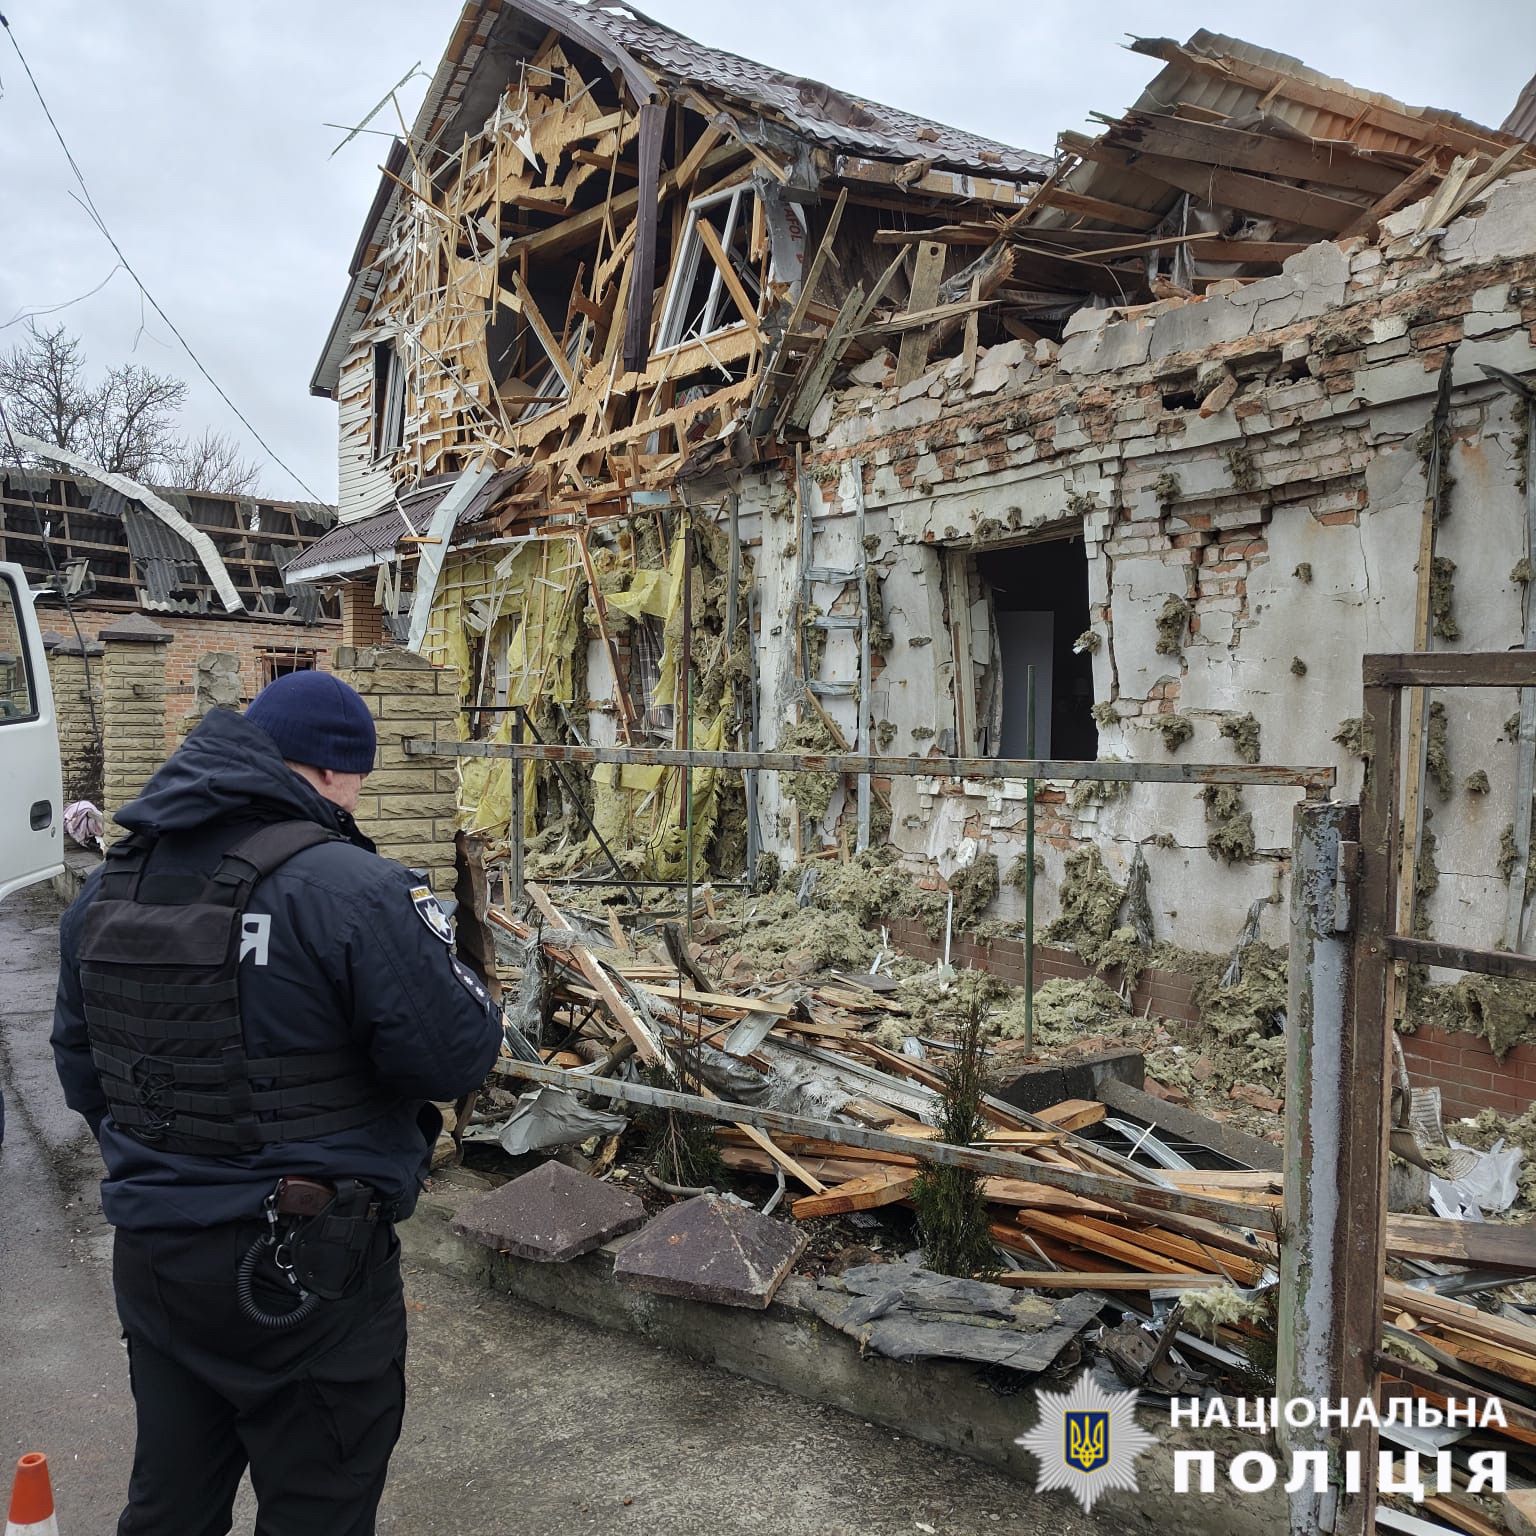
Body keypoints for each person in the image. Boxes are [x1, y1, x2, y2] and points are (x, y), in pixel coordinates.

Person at [51, 670, 504, 1536]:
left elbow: (82, 1072)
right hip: (306, 1270)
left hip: (157, 1256)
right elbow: (453, 1055)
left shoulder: (112, 889)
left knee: (170, 1503)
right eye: (358, 778)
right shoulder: (352, 888)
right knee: (319, 1510)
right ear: (333, 771)